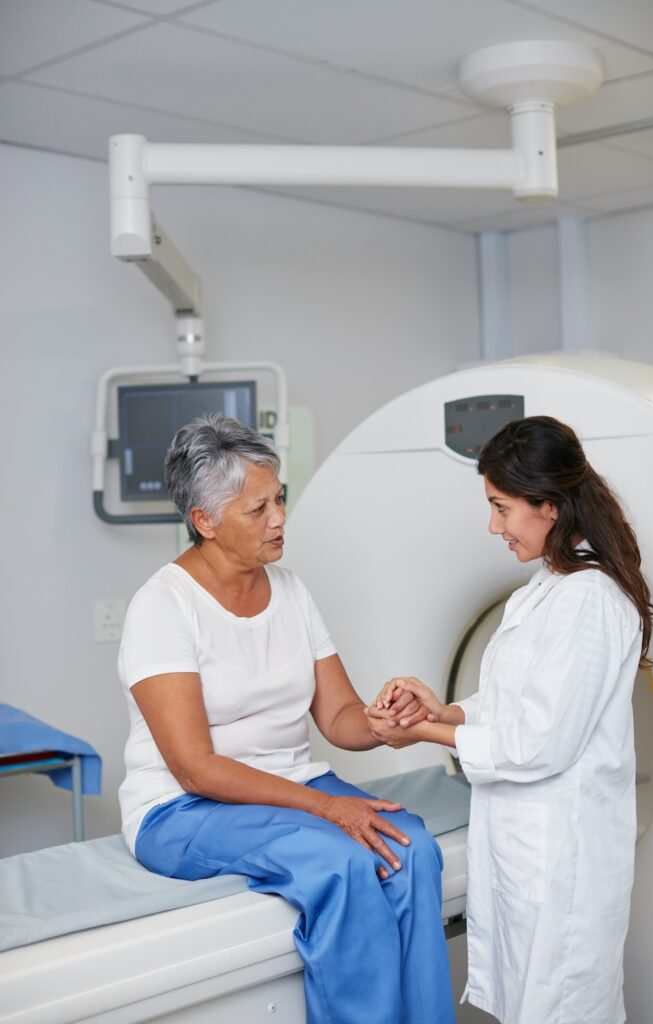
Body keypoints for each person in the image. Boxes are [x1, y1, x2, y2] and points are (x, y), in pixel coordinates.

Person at [117, 413, 455, 1024]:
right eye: (257, 509)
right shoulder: (162, 606)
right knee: (343, 864)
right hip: (182, 808)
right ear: (205, 522)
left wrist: (379, 723)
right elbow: (194, 768)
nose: (278, 520)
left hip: (291, 785)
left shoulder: (291, 590)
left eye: (279, 500)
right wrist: (329, 808)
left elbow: (339, 717)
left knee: (414, 849)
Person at [366, 415, 653, 1024]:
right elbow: (516, 705)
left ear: (548, 506)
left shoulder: (589, 599)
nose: (493, 525)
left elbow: (539, 745)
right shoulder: (546, 587)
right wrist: (442, 709)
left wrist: (421, 732)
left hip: (563, 864)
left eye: (502, 508)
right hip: (529, 855)